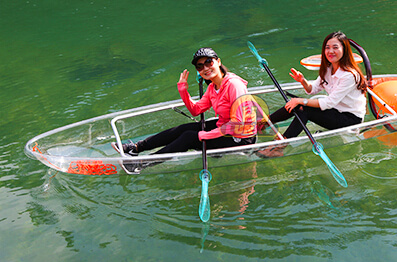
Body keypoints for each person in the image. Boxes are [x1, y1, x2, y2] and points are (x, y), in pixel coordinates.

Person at [112, 47, 257, 173]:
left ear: (218, 62)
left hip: (241, 138)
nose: (205, 68)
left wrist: (204, 136)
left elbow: (238, 122)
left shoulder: (234, 85)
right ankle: (136, 148)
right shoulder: (213, 87)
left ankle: (141, 165)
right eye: (200, 66)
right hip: (224, 126)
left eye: (209, 62)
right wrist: (183, 91)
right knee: (184, 129)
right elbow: (196, 110)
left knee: (190, 136)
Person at [256, 31, 367, 158]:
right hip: (335, 110)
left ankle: (278, 147)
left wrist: (300, 101)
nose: (330, 51)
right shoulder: (328, 68)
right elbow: (312, 89)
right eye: (327, 48)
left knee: (303, 109)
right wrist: (302, 81)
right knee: (298, 104)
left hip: (350, 119)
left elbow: (329, 102)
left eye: (335, 48)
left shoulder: (349, 75)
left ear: (344, 50)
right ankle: (264, 124)